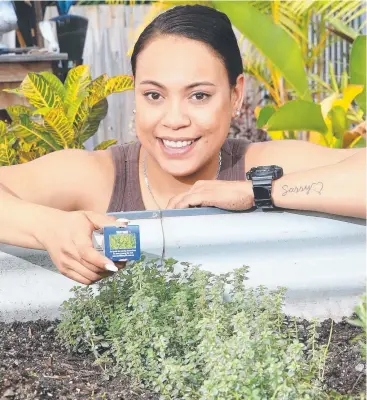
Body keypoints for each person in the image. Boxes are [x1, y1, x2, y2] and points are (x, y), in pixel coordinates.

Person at [0, 5, 365, 285]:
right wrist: (47, 226)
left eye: (200, 95)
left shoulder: (255, 165)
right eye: (154, 94)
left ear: (236, 94)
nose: (174, 119)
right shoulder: (98, 178)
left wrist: (257, 190)